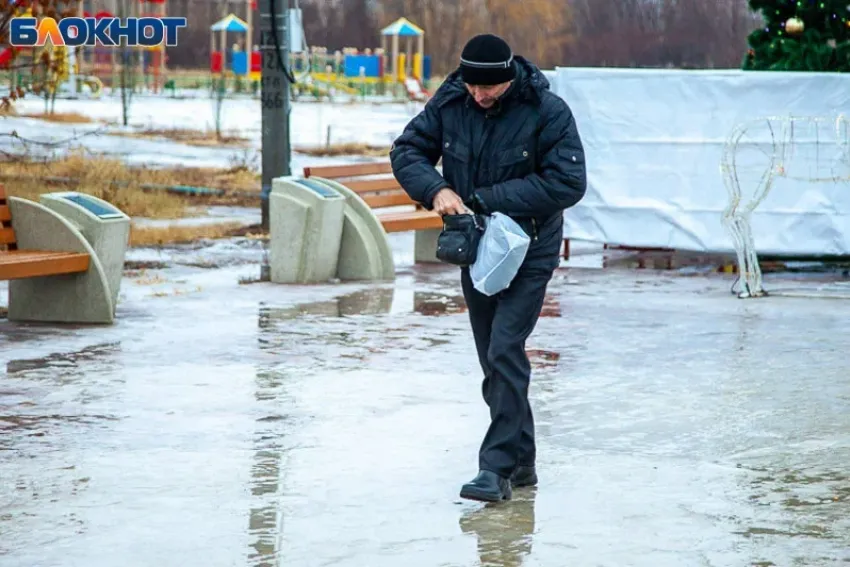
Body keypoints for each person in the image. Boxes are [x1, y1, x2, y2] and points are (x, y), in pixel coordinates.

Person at [390, 33, 587, 502]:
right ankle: (523, 462)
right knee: (493, 359)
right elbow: (407, 150)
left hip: (531, 245)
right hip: (477, 245)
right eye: (472, 86)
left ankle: (494, 470)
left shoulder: (546, 110)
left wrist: (485, 198)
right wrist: (437, 190)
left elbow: (569, 181)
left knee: (504, 348)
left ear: (509, 78)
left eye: (488, 88)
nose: (479, 96)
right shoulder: (453, 98)